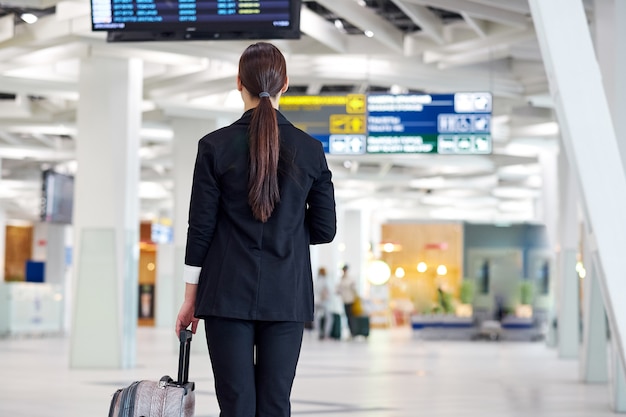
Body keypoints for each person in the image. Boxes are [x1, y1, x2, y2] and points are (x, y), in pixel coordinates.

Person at [175, 42, 337, 417]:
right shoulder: (310, 149)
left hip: (225, 293)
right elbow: (325, 228)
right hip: (287, 295)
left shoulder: (213, 146)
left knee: (235, 406)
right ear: (286, 85)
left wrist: (190, 298)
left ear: (238, 83)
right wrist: (289, 233)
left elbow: (200, 228)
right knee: (276, 404)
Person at [336, 264, 357, 338]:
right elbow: (337, 289)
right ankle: (350, 332)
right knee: (347, 317)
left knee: (350, 317)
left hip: (350, 300)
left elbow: (354, 289)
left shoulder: (350, 279)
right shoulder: (341, 279)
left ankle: (353, 332)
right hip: (344, 300)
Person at [314, 267, 332, 339]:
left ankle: (318, 332)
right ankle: (326, 333)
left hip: (316, 301)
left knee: (316, 318)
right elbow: (327, 291)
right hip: (323, 301)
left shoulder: (317, 280)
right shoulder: (325, 280)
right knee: (329, 318)